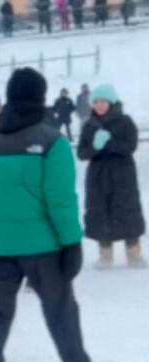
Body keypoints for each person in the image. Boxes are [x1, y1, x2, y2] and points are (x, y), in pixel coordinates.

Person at [0, 68, 116, 362]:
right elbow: (61, 200)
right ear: (40, 98)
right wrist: (71, 243)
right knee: (61, 309)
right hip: (44, 247)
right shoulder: (53, 143)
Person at [77, 84, 146, 268]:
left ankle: (134, 254)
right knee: (100, 212)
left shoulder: (125, 122)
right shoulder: (89, 125)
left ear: (111, 102)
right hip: (98, 177)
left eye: (103, 101)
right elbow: (82, 153)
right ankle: (105, 256)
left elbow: (130, 146)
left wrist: (108, 143)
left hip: (122, 175)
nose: (100, 105)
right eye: (96, 102)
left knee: (126, 211)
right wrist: (95, 147)